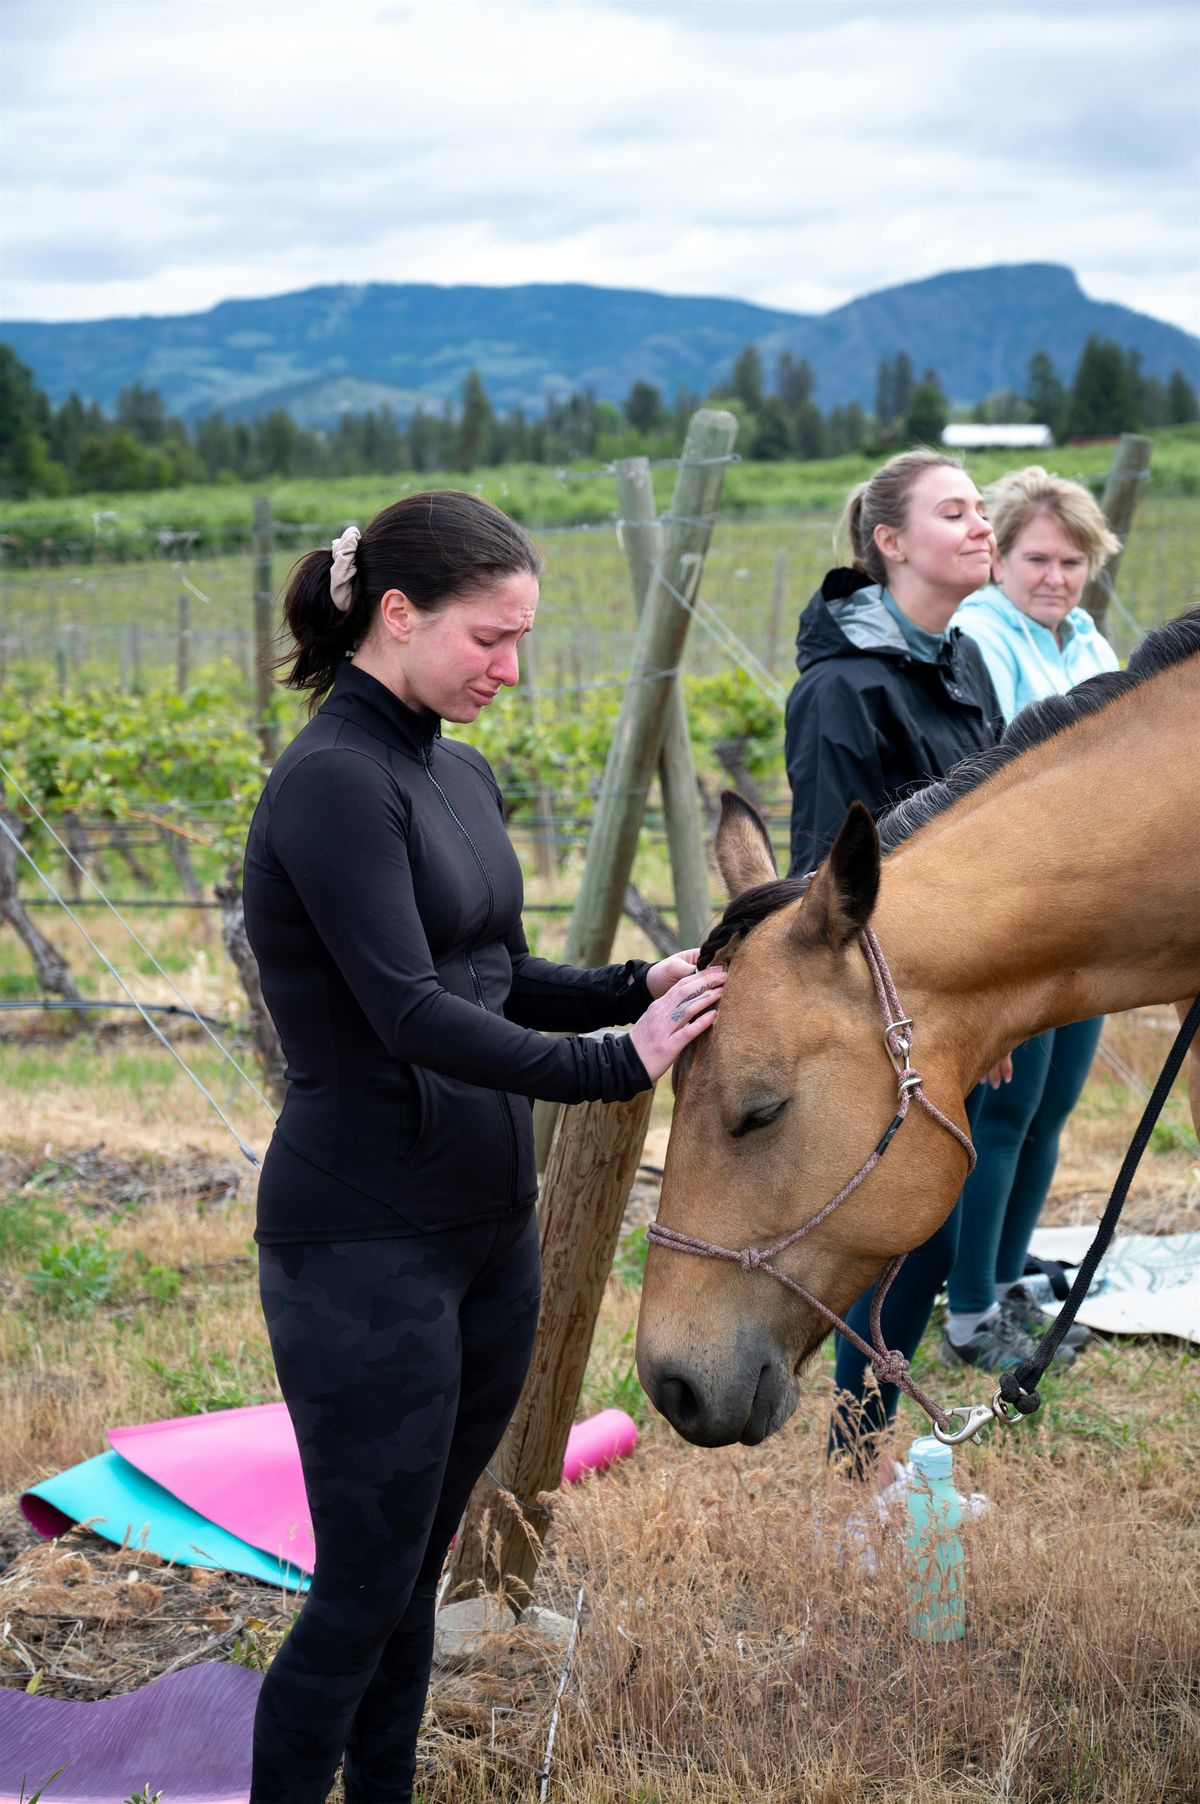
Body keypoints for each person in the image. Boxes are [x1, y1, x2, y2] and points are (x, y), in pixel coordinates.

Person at [241, 490, 724, 1804]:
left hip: (486, 1236)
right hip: (362, 1243)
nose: (511, 667)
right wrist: (616, 1063)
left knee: (412, 1577)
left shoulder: (453, 769)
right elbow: (409, 1012)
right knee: (359, 1593)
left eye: (523, 638)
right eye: (490, 637)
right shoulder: (333, 784)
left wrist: (633, 985)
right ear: (397, 615)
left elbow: (496, 972)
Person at [782, 447, 1004, 1474]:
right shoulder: (840, 690)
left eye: (980, 507)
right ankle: (852, 1466)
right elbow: (833, 880)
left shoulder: (964, 661)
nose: (980, 523)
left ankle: (860, 1460)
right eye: (953, 511)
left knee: (939, 1230)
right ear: (890, 542)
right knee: (907, 1232)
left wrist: (992, 1000)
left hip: (969, 992)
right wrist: (920, 1014)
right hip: (894, 1002)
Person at [940, 467, 1121, 1368]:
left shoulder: (1088, 639)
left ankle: (1009, 1286)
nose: (1057, 577)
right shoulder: (981, 636)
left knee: (1052, 1109)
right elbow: (1016, 770)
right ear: (1001, 559)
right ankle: (969, 1312)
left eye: (1073, 562)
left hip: (1090, 907)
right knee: (1004, 1116)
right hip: (1024, 912)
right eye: (1039, 559)